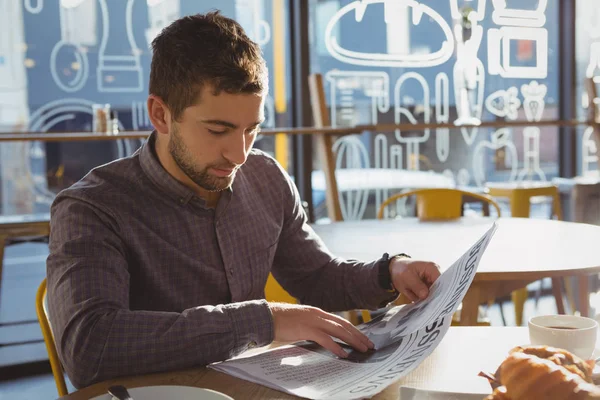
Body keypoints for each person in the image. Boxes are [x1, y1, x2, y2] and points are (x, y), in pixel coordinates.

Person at [46, 11, 441, 389]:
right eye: (218, 130)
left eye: (252, 129)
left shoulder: (264, 176)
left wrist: (388, 272)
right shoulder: (92, 209)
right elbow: (90, 348)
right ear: (161, 115)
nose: (238, 154)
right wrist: (263, 319)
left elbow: (315, 276)